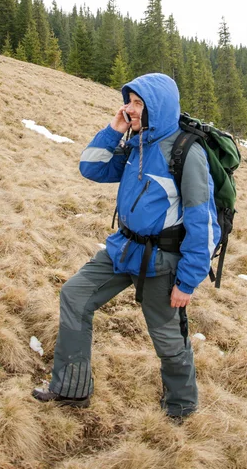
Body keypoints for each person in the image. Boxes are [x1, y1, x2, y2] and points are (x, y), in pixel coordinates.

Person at [32, 73, 220, 420]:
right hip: (123, 249)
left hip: (162, 260)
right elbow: (91, 167)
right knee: (75, 295)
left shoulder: (186, 152)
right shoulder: (138, 141)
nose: (129, 108)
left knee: (166, 338)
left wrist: (188, 281)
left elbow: (204, 222)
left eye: (137, 103)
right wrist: (114, 128)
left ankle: (182, 407)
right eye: (128, 101)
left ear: (157, 107)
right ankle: (71, 390)